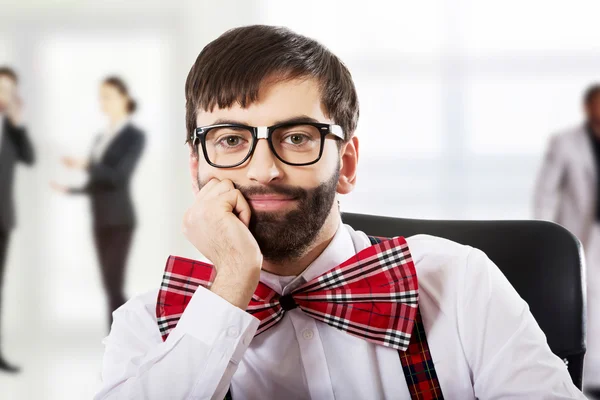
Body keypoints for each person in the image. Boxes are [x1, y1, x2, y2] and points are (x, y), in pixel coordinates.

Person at [95, 26, 584, 399]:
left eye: (297, 137)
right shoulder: (146, 323)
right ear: (197, 165)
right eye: (231, 140)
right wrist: (231, 284)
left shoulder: (460, 283)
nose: (263, 170)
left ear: (345, 164)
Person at [52, 76, 145, 329]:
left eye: (108, 96)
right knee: (108, 285)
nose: (102, 101)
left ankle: (126, 335)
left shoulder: (134, 136)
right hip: (100, 218)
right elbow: (97, 182)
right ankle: (118, 339)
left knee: (114, 284)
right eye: (101, 96)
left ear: (124, 99)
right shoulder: (100, 137)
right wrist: (71, 190)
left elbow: (118, 177)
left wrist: (86, 164)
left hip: (120, 219)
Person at [534, 84, 600, 398]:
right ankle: (584, 380)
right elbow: (545, 194)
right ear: (587, 108)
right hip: (583, 232)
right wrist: (547, 237)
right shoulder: (565, 144)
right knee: (584, 303)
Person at [0, 66, 34, 374]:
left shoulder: (11, 128)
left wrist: (17, 123)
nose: (4, 95)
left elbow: (29, 157)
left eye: (9, 90)